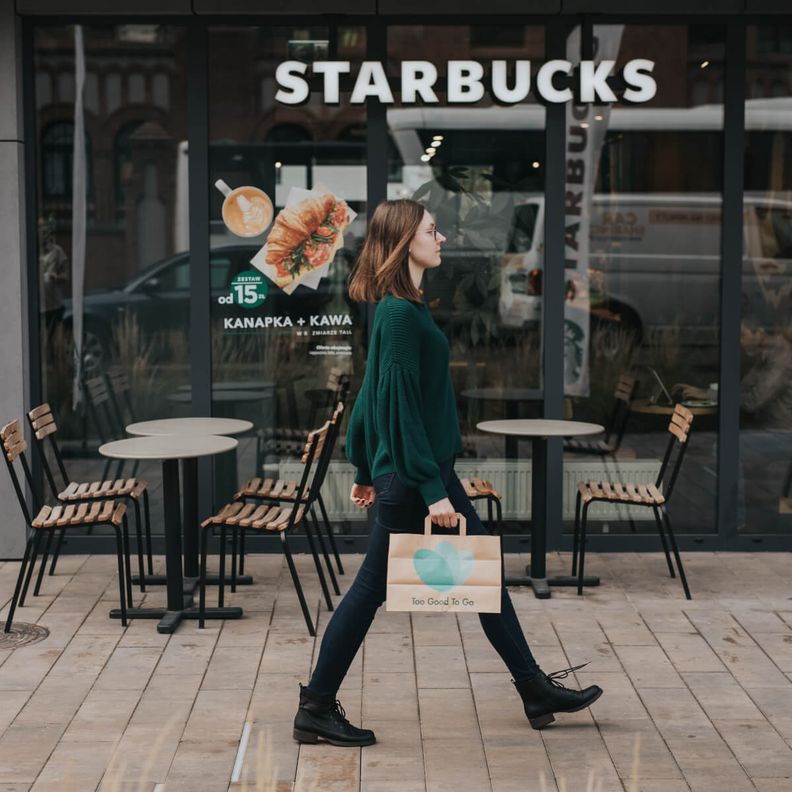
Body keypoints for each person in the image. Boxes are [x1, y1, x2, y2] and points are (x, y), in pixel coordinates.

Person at [292, 199, 603, 747]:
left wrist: (366, 465)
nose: (440, 240)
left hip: (413, 475)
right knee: (373, 591)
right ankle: (316, 705)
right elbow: (399, 406)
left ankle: (532, 686)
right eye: (431, 231)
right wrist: (431, 491)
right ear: (404, 240)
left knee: (478, 579)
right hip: (419, 480)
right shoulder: (399, 314)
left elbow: (371, 395)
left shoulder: (404, 307)